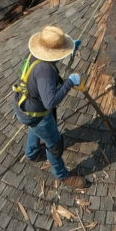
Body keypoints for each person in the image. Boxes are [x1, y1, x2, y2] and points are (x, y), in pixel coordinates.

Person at [18, 25, 88, 189]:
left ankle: (32, 154)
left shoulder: (33, 55)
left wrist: (71, 50)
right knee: (54, 144)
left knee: (34, 128)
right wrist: (70, 82)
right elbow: (50, 102)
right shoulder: (45, 71)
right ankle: (63, 176)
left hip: (26, 107)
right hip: (38, 113)